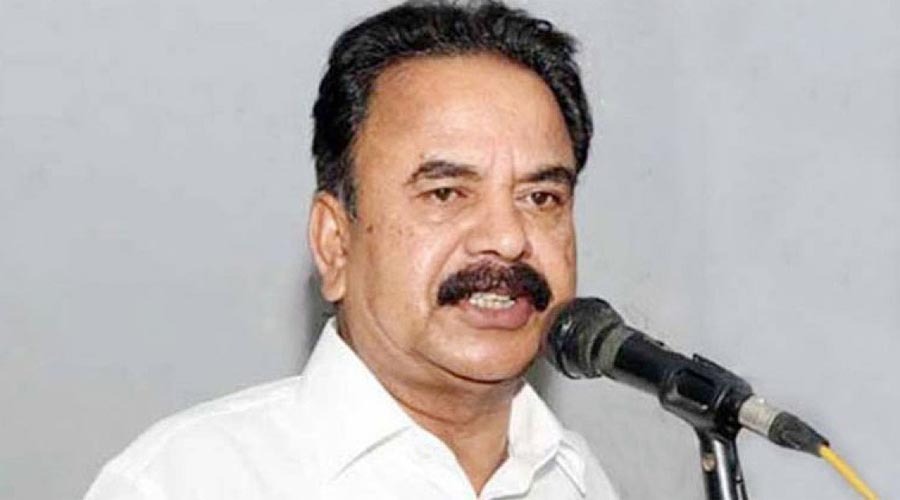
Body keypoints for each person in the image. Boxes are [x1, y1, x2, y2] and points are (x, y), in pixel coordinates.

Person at [85, 1, 618, 498]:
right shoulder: (185, 482)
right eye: (446, 193)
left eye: (540, 197)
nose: (506, 238)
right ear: (335, 244)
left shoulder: (579, 482)